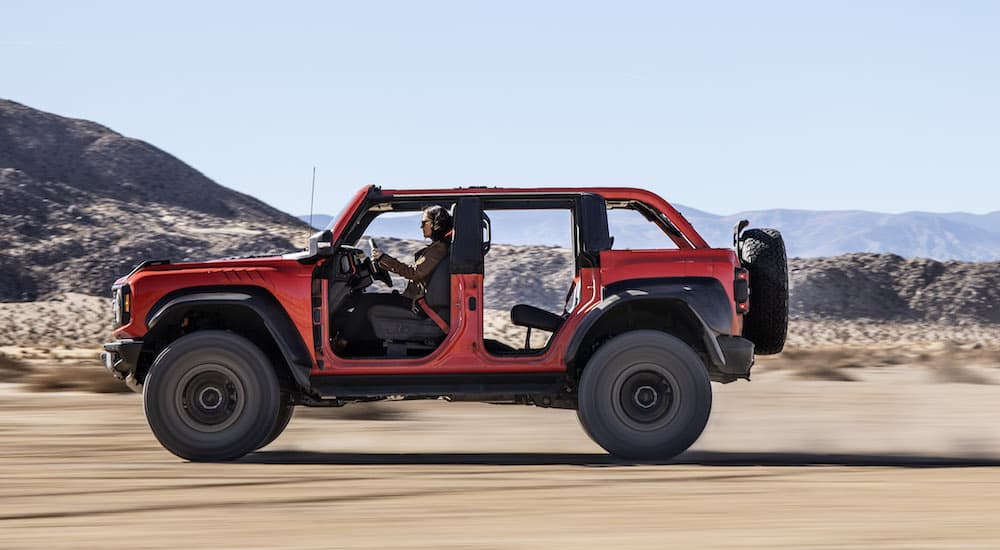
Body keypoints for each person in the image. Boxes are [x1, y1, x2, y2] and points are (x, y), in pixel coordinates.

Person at [332, 205, 453, 353]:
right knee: (365, 301)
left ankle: (341, 343)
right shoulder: (437, 247)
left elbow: (414, 273)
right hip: (414, 300)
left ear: (436, 224)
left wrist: (385, 259)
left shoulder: (439, 249)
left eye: (424, 222)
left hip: (416, 305)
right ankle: (357, 347)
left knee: (365, 301)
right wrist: (384, 262)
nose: (421, 226)